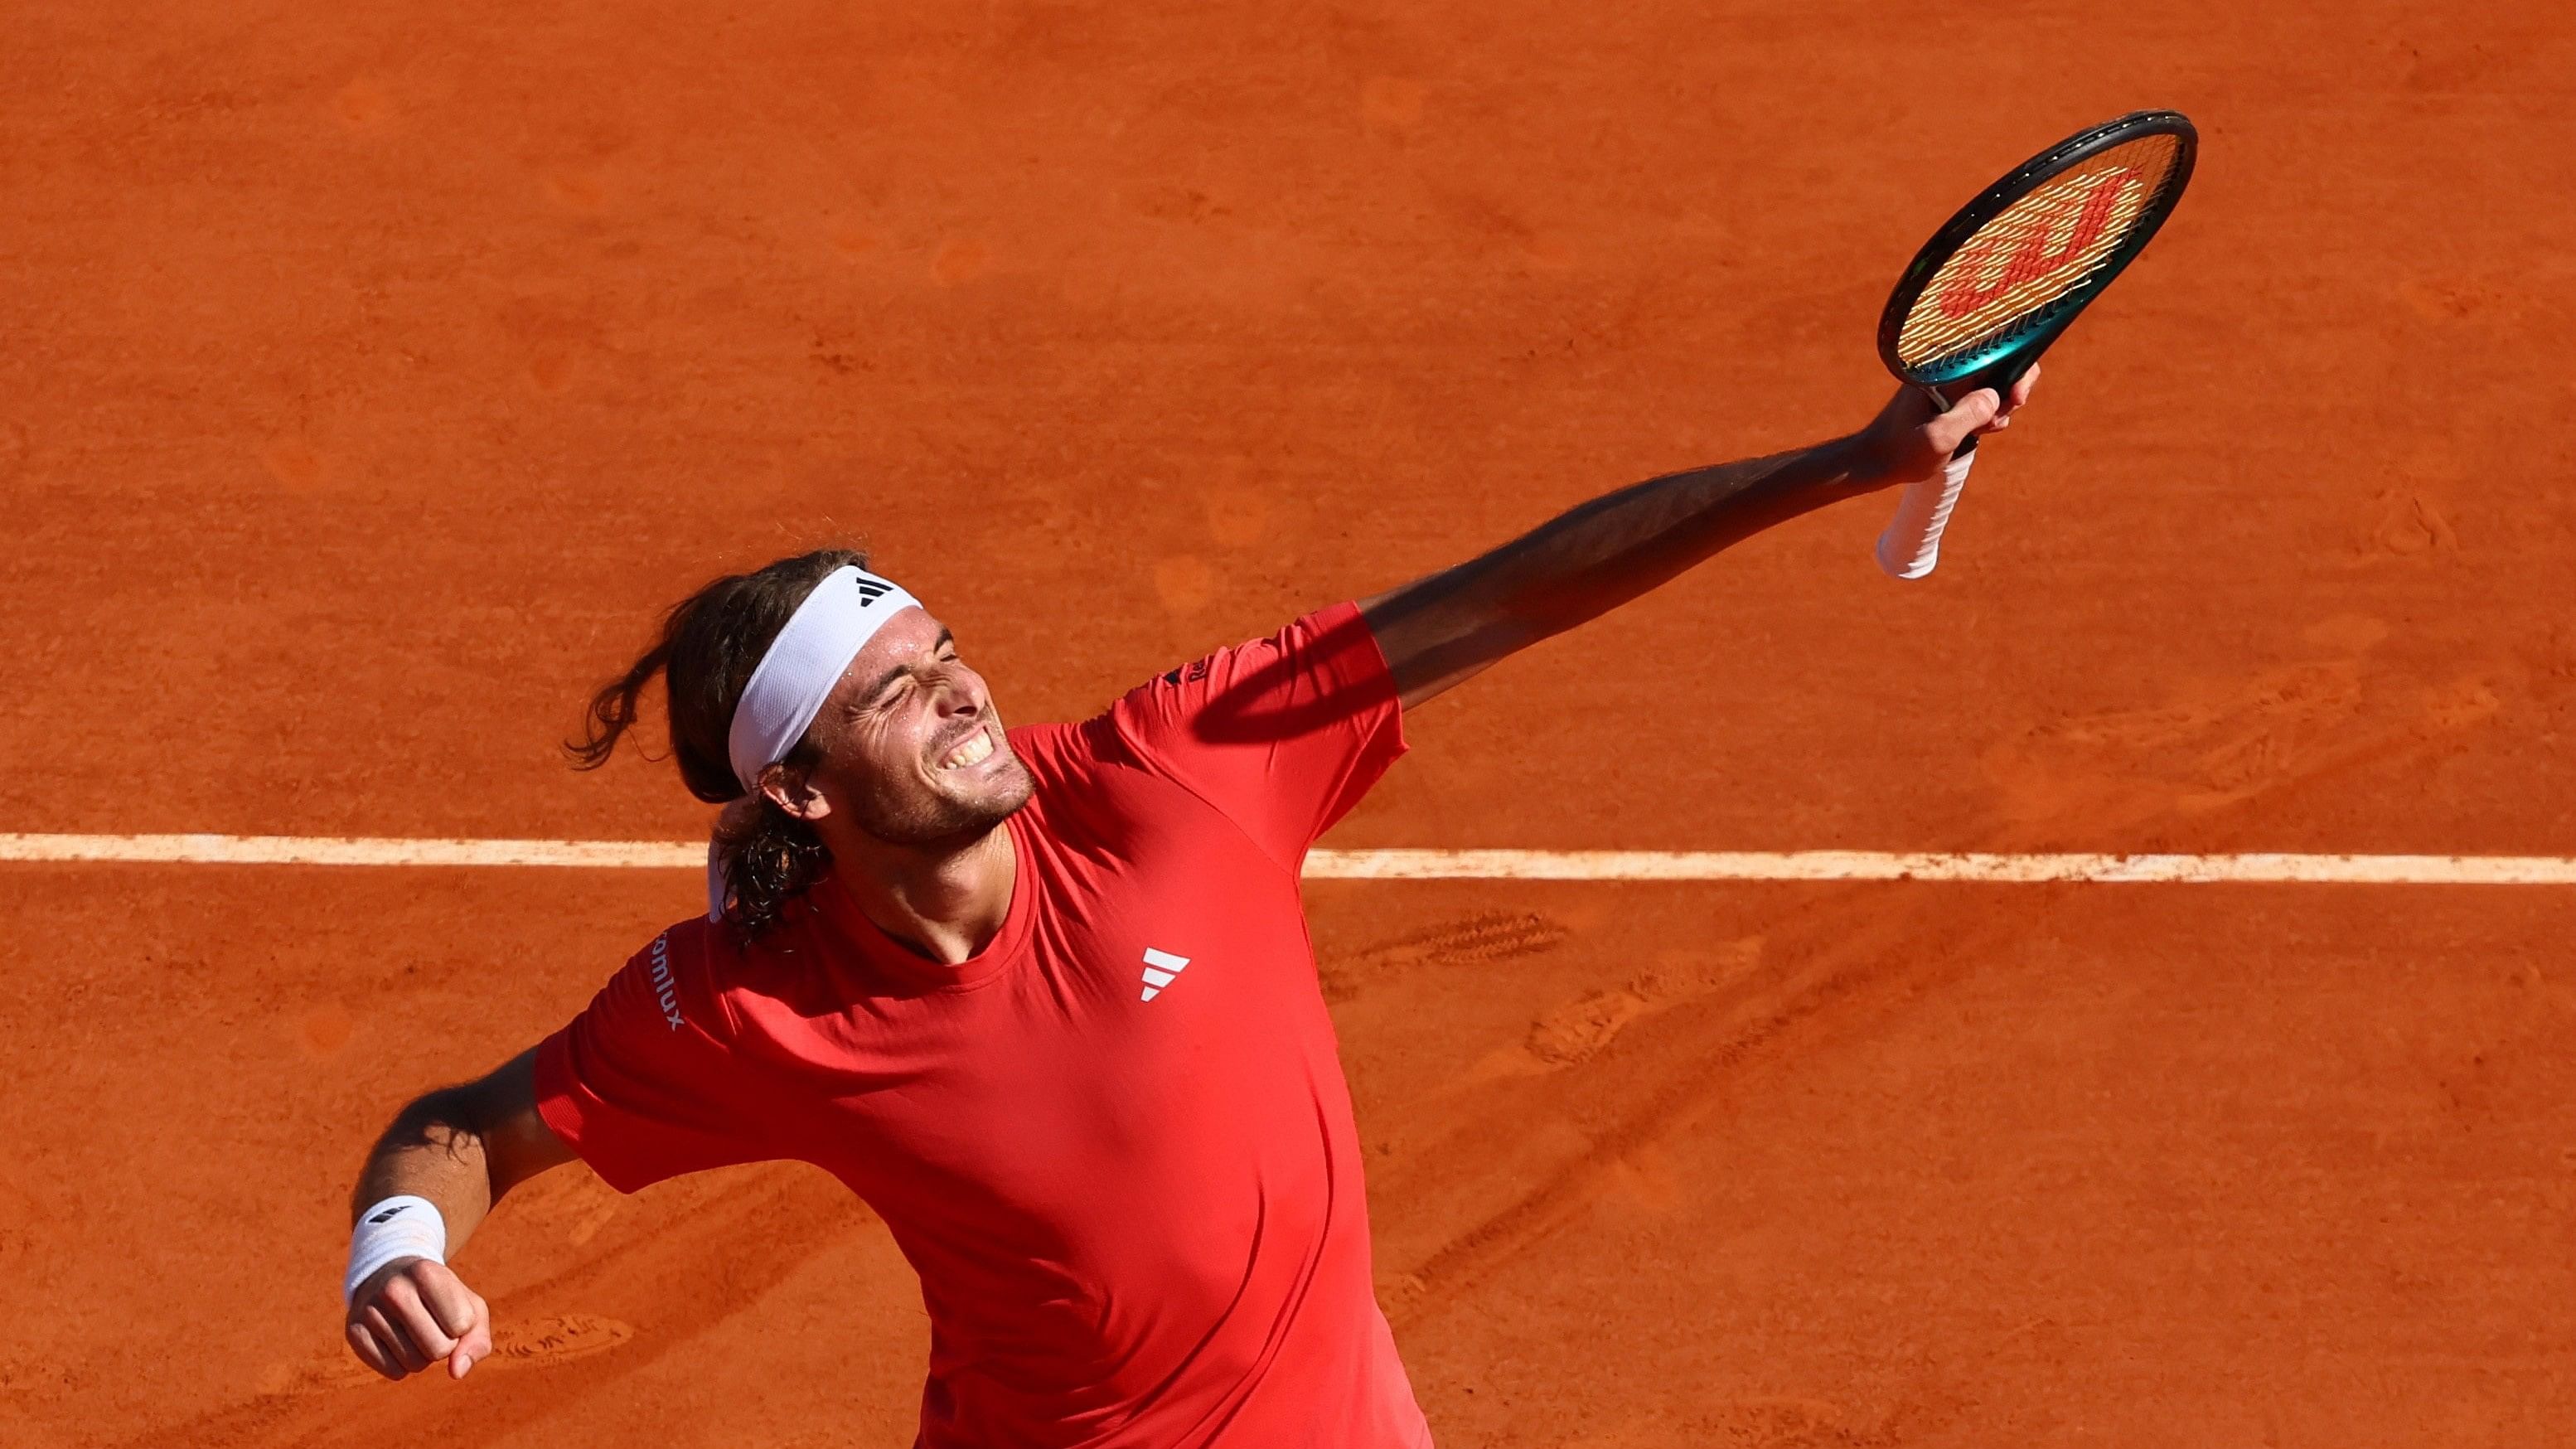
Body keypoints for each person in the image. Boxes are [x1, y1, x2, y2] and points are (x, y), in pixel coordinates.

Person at [339, 373, 2036, 1447]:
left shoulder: (1175, 775)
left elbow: (1519, 589)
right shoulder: (752, 1003)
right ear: (798, 789)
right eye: (897, 694)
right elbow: (463, 1129)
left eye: (946, 654)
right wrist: (401, 1245)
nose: (964, 692)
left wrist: (1847, 461)